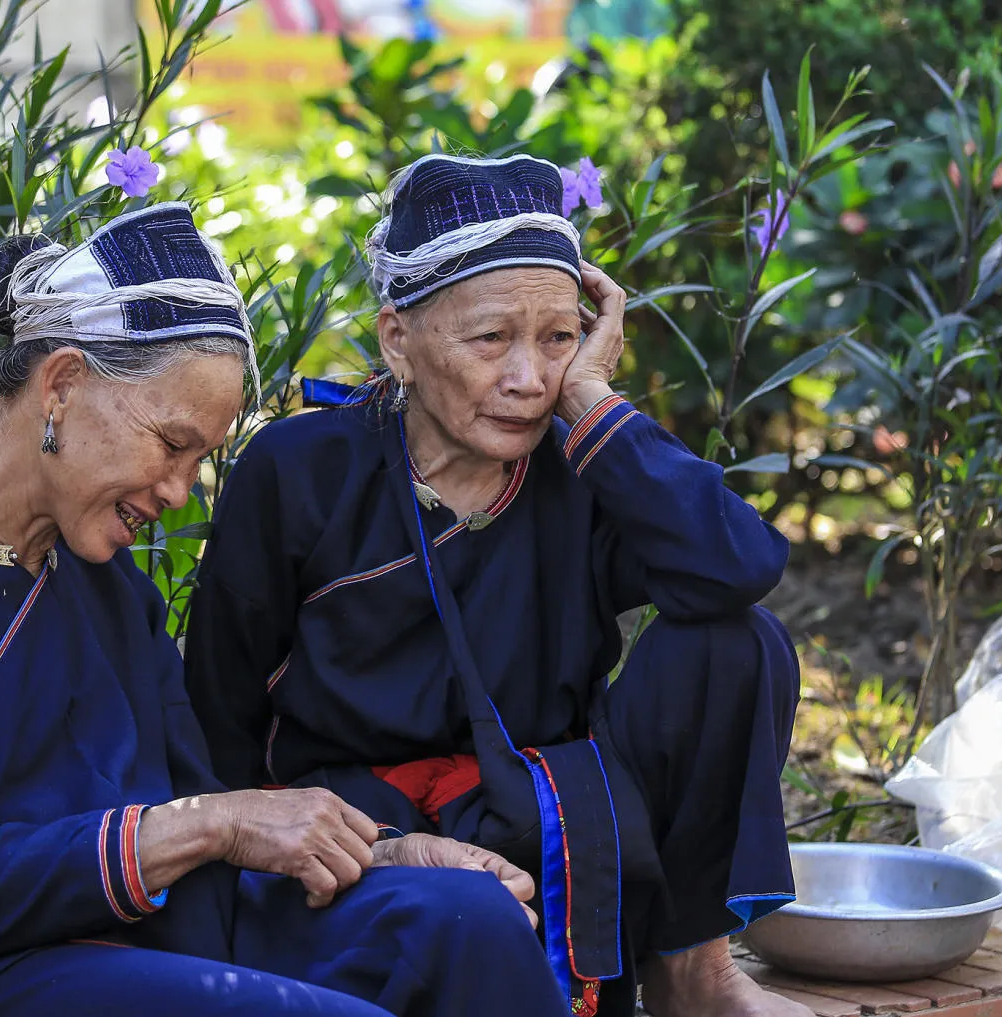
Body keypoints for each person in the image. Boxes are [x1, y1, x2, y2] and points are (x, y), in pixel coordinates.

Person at [0, 203, 571, 1017]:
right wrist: (209, 823)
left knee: (470, 922)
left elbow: (201, 816)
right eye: (172, 444)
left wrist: (378, 852)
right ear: (61, 384)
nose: (178, 491)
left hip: (145, 933)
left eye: (200, 459)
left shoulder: (106, 582)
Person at [183, 155, 811, 1017]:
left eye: (558, 338)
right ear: (397, 338)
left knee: (738, 643)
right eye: (491, 339)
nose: (528, 379)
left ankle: (694, 971)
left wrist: (592, 403)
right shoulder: (300, 471)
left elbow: (737, 569)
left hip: (548, 805)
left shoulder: (583, 459)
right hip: (363, 830)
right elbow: (219, 715)